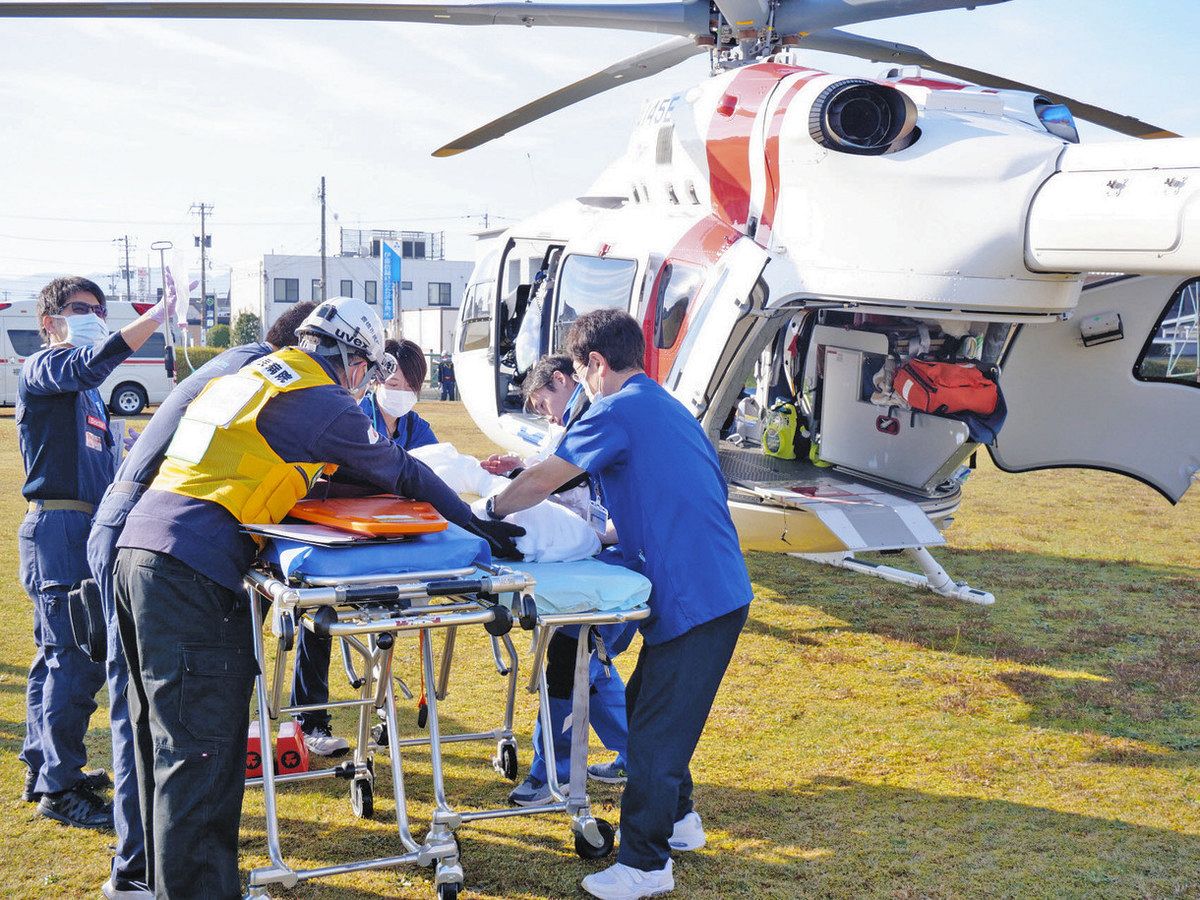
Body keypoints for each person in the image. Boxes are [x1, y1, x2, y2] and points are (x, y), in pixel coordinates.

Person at [111, 297, 524, 898]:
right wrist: (478, 523)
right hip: (191, 572)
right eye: (369, 371)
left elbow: (319, 473)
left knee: (162, 746)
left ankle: (150, 883)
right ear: (354, 360)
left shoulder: (255, 380)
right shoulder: (320, 399)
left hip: (142, 555)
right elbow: (402, 472)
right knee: (200, 756)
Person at [485, 309, 752, 900]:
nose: (580, 387)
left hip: (697, 595)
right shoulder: (660, 405)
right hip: (708, 586)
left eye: (580, 375)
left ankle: (645, 865)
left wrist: (488, 514)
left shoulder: (616, 408)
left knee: (656, 733)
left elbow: (543, 481)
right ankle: (681, 823)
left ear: (596, 365)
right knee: (650, 707)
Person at [85, 301, 316, 900]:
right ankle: (144, 872)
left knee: (152, 719)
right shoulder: (258, 376)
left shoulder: (243, 368)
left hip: (137, 528)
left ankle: (143, 871)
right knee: (172, 727)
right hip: (160, 537)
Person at [18, 276, 177, 833]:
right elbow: (87, 363)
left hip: (80, 526)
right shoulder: (45, 368)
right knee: (75, 657)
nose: (92, 317)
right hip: (58, 527)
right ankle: (61, 788)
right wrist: (155, 318)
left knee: (53, 655)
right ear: (50, 322)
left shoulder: (84, 394)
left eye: (98, 310)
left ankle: (43, 766)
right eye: (79, 310)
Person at [290, 336, 438, 757]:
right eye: (393, 381)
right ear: (374, 377)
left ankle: (383, 711)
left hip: (393, 541)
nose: (400, 392)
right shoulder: (354, 416)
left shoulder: (415, 427)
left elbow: (433, 469)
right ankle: (310, 719)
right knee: (317, 617)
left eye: (410, 385)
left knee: (396, 618)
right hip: (341, 534)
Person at [497, 355, 634, 806]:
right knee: (588, 665)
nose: (545, 415)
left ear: (566, 377)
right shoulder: (599, 414)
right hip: (615, 555)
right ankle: (636, 753)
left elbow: (560, 481)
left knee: (571, 660)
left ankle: (550, 774)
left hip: (618, 560)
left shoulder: (599, 416)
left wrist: (494, 510)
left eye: (542, 404)